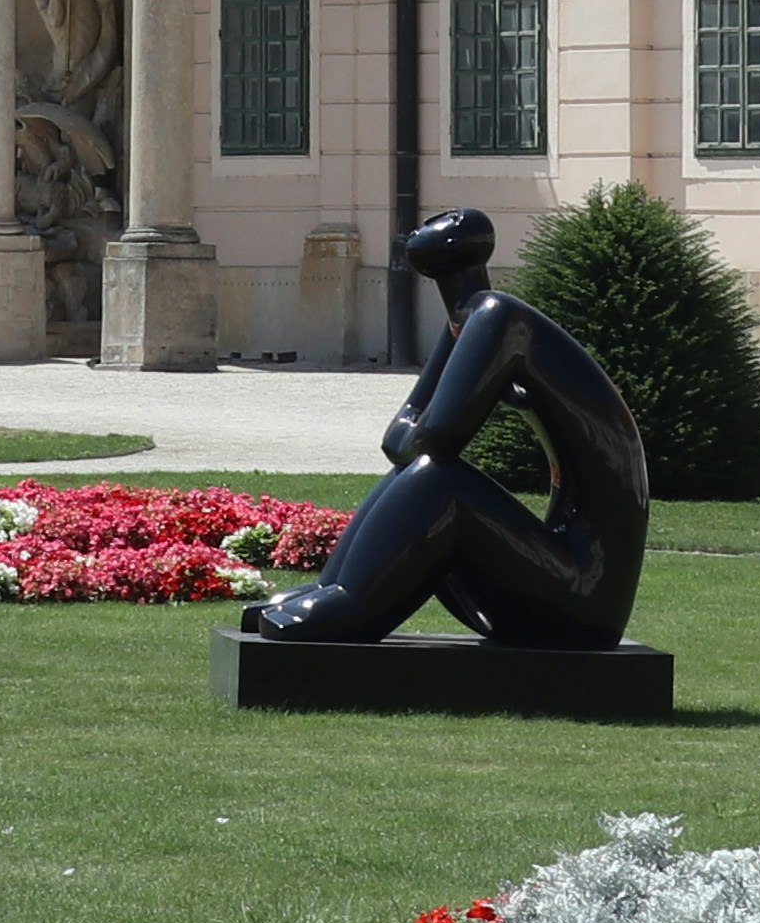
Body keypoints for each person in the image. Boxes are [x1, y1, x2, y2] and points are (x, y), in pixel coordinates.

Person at [238, 208, 649, 651]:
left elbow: (435, 437)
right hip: (564, 585)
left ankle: (353, 603)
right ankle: (333, 588)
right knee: (417, 475)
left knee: (440, 481)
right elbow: (398, 440)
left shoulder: (499, 317)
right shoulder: (468, 321)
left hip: (584, 598)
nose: (422, 225)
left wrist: (417, 436)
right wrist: (417, 436)